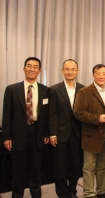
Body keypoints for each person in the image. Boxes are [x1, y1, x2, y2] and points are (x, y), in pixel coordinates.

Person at [2, 57, 50, 198]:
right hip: (18, 135)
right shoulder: (12, 89)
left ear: (39, 71)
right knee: (18, 172)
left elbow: (47, 115)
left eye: (35, 67)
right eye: (29, 66)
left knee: (36, 172)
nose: (32, 69)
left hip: (38, 134)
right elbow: (7, 115)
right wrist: (7, 137)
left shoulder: (46, 90)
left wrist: (47, 133)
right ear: (24, 68)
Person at [73, 64, 105, 198]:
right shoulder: (84, 92)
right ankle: (89, 193)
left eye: (104, 74)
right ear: (93, 75)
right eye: (98, 73)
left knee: (102, 166)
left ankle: (101, 191)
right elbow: (78, 112)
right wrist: (97, 118)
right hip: (91, 135)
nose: (101, 76)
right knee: (89, 167)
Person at [49, 59, 85, 198]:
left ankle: (72, 192)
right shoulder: (54, 89)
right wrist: (52, 133)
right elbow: (51, 113)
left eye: (73, 69)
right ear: (62, 71)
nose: (70, 72)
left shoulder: (83, 89)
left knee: (76, 167)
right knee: (60, 167)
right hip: (60, 134)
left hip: (77, 134)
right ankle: (62, 194)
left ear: (77, 71)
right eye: (67, 69)